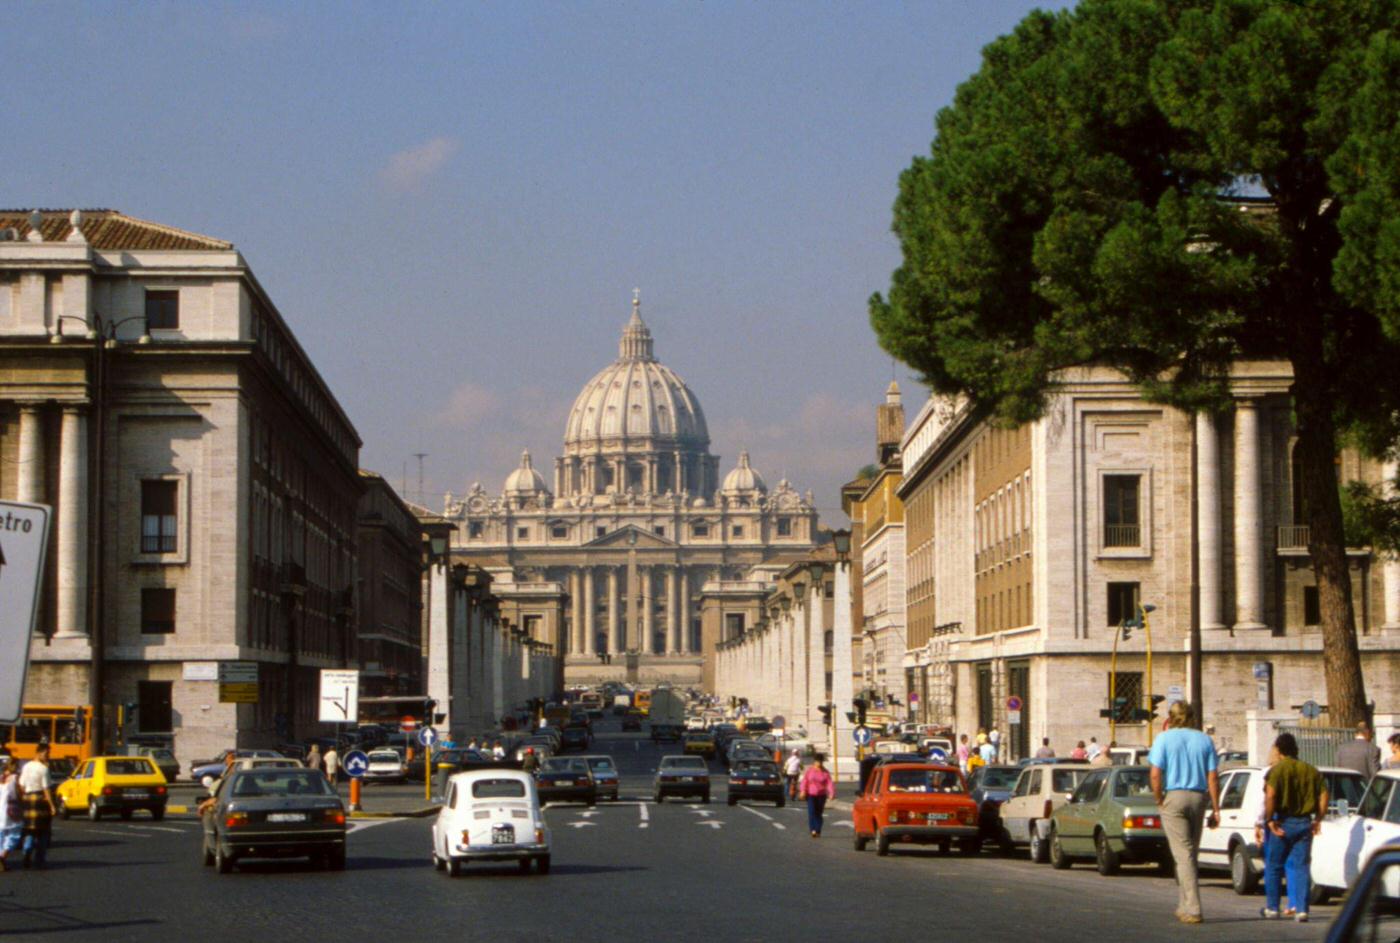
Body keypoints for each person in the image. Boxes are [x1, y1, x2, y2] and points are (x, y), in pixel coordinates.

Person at [1148, 702, 1221, 925]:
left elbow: (1155, 774)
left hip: (1174, 796)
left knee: (1183, 854)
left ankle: (1193, 907)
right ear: (1192, 717)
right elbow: (1213, 777)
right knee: (1190, 853)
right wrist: (1216, 808)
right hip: (1199, 797)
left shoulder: (1164, 739)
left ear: (1170, 718)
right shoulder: (1205, 739)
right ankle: (1183, 904)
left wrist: (1159, 798)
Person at [1261, 733, 1327, 922]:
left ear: (1279, 750)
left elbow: (1271, 795)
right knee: (1301, 867)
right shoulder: (1311, 770)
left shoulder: (1277, 770)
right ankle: (1302, 909)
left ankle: (1273, 908)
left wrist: (1269, 820)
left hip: (1283, 821)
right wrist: (1318, 818)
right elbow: (1324, 796)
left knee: (1273, 865)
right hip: (1305, 822)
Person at [18, 744, 56, 870]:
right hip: (40, 801)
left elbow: (22, 785)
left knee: (29, 829)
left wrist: (24, 797)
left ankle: (26, 852)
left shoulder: (26, 766)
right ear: (39, 753)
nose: (48, 756)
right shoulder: (43, 769)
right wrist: (51, 805)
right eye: (47, 753)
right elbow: (46, 789)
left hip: (28, 799)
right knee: (43, 832)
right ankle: (39, 861)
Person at [798, 753, 836, 838]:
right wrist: (803, 791)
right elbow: (805, 781)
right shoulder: (810, 771)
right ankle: (813, 830)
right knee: (811, 812)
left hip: (821, 795)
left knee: (819, 813)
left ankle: (818, 829)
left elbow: (829, 783)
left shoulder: (825, 772)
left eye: (821, 762)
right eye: (817, 761)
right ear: (814, 762)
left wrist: (831, 793)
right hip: (811, 795)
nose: (819, 763)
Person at [0, 758, 20, 872]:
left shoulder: (1, 778)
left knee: (1, 836)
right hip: (12, 809)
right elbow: (19, 793)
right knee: (14, 835)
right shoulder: (15, 778)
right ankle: (2, 857)